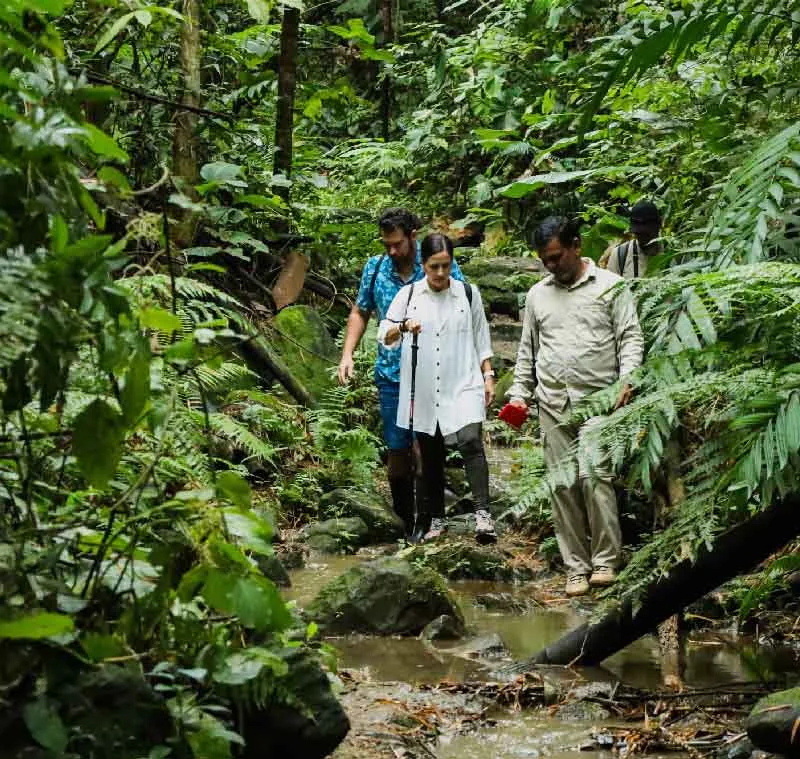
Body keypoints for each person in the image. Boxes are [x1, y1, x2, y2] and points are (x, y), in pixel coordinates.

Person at [507, 217, 643, 596]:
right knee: (561, 486)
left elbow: (629, 337)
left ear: (576, 246)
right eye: (544, 260)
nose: (551, 265)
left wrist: (627, 379)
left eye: (556, 256)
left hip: (599, 400)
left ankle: (604, 562)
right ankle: (575, 568)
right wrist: (519, 394)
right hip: (552, 402)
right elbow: (527, 351)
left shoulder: (612, 288)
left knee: (595, 475)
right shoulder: (537, 296)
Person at [337, 209, 465, 539]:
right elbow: (360, 311)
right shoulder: (376, 268)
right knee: (397, 451)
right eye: (386, 244)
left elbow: (463, 306)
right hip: (391, 373)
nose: (391, 251)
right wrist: (347, 354)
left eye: (397, 244)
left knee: (426, 448)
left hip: (431, 373)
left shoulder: (436, 262)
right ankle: (404, 522)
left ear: (412, 236)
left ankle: (429, 521)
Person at [378, 234, 497, 543]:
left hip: (464, 379)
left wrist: (488, 375)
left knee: (471, 440)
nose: (441, 273)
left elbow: (481, 339)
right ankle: (437, 518)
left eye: (446, 266)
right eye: (434, 267)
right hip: (426, 384)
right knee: (430, 452)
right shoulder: (408, 296)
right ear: (423, 265)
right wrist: (404, 326)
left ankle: (483, 515)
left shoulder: (469, 294)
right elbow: (384, 336)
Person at [606, 199, 662, 279]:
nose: (642, 237)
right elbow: (611, 288)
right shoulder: (620, 254)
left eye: (647, 233)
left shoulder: (673, 252)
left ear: (658, 226)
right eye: (638, 233)